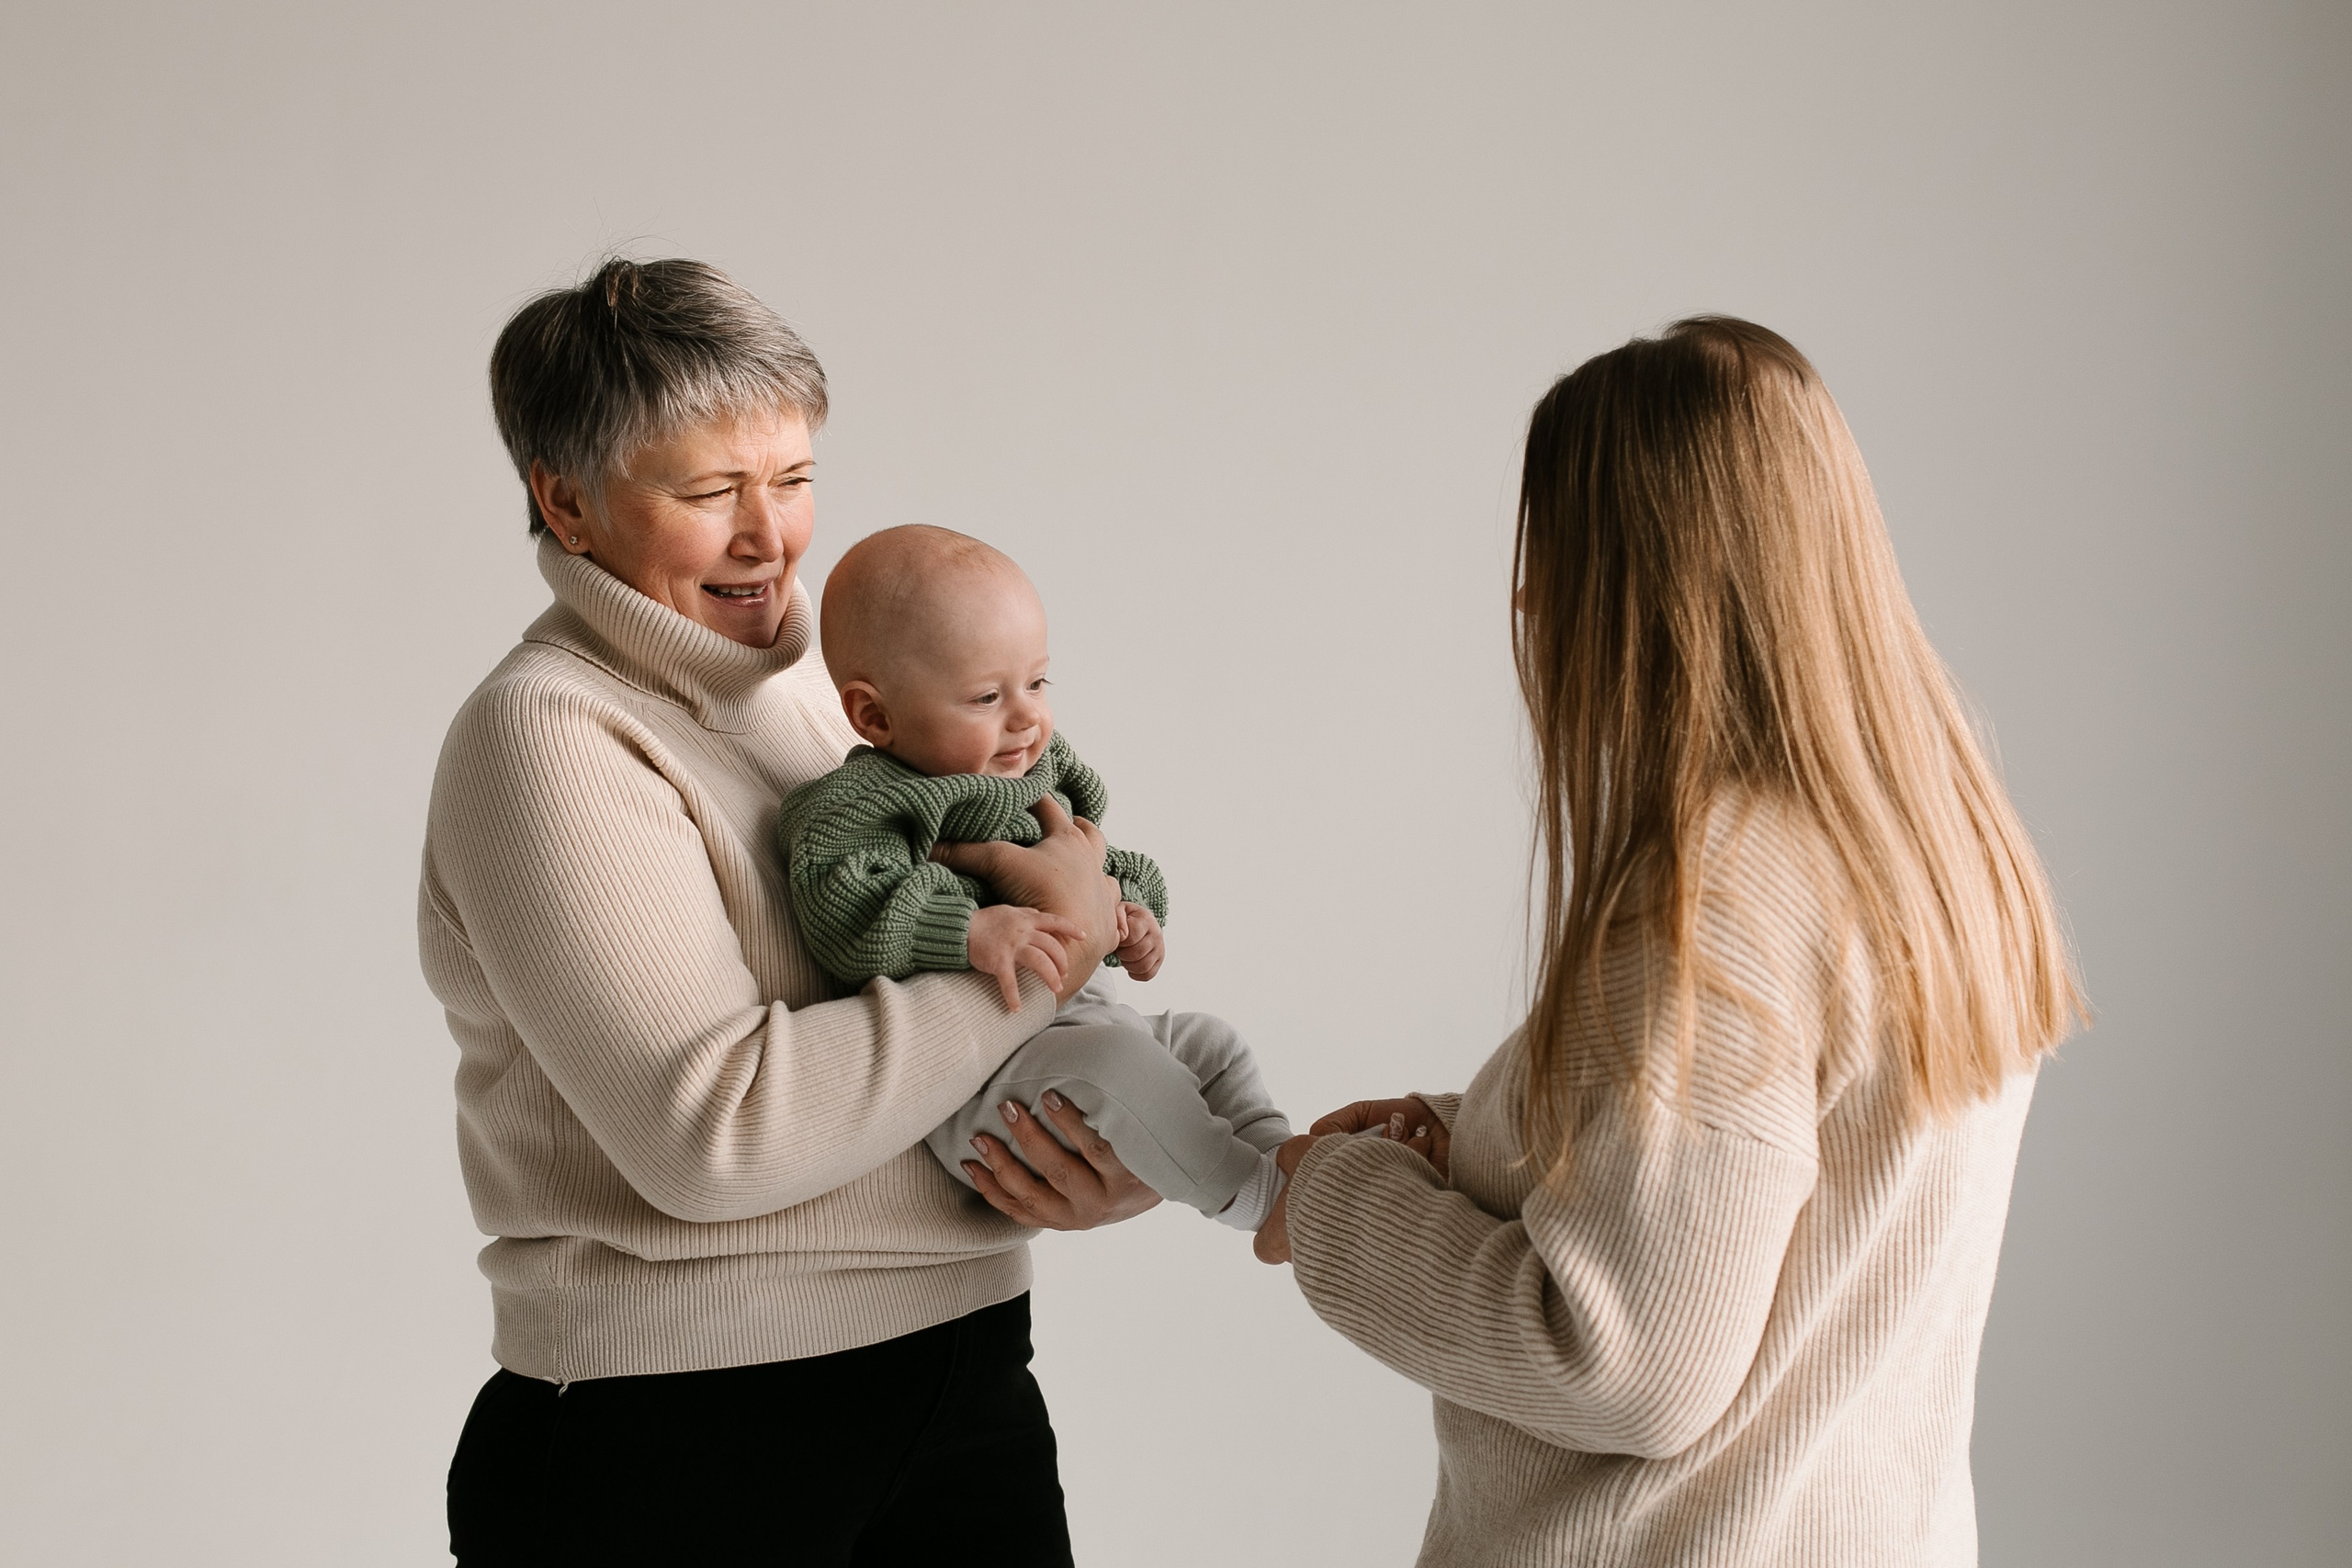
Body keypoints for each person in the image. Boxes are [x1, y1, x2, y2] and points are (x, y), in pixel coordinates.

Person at [1253, 317, 2082, 1566]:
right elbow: (1787, 1189)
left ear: (1643, 582)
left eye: (1559, 553)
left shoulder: (1718, 901)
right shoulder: (1933, 840)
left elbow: (1623, 1365)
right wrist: (1471, 1136)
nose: (1528, 597)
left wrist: (1321, 1196)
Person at [420, 257, 1154, 1566]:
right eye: (712, 492)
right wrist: (1053, 955)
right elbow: (717, 1132)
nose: (772, 535)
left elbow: (935, 1019)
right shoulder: (548, 735)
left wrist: (1072, 1147)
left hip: (962, 1372)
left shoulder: (847, 690)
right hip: (675, 1441)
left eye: (795, 478)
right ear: (567, 502)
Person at [776, 525, 1296, 1231]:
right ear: (876, 714)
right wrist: (968, 928)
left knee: (1213, 1043)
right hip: (982, 1086)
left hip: (1083, 1026)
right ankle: (1264, 1205)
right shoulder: (864, 805)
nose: (1027, 717)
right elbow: (844, 904)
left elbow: (1095, 856)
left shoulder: (1037, 772)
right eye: (987, 697)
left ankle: (1287, 1162)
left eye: (1037, 681)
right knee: (1117, 1064)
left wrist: (1131, 910)